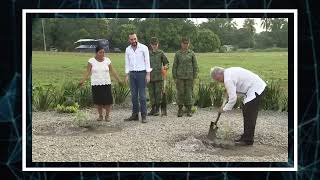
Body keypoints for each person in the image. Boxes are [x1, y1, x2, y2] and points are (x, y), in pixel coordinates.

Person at [210, 66, 266, 146]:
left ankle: (248, 140)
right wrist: (229, 90)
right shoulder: (228, 72)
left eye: (218, 80)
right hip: (255, 86)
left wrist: (224, 109)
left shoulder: (228, 79)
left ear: (219, 75)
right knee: (246, 111)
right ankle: (246, 136)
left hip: (256, 89)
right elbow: (237, 86)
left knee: (249, 114)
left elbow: (233, 99)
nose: (219, 82)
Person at [79, 46, 122, 121]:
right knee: (98, 101)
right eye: (100, 52)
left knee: (108, 101)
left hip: (106, 83)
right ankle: (100, 115)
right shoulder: (91, 61)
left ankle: (107, 116)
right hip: (96, 83)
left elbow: (112, 71)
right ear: (96, 53)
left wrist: (119, 80)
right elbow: (87, 72)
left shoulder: (107, 60)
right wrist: (82, 81)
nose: (102, 54)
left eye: (103, 52)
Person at [124, 33, 152, 123]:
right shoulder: (127, 49)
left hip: (142, 74)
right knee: (134, 96)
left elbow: (147, 61)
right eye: (131, 39)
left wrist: (148, 74)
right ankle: (135, 115)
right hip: (132, 74)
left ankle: (144, 115)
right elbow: (127, 63)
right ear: (129, 40)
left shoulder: (144, 48)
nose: (133, 41)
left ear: (137, 38)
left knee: (142, 96)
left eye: (135, 39)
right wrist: (127, 74)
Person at [172, 37, 198, 117]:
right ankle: (180, 109)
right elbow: (175, 65)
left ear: (188, 44)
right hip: (180, 77)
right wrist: (175, 76)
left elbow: (195, 65)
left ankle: (189, 109)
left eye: (187, 43)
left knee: (189, 93)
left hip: (189, 77)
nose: (185, 45)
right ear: (181, 44)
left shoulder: (192, 53)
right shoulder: (177, 54)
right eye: (184, 43)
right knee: (180, 93)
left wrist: (194, 76)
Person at [147, 37, 169, 116]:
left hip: (159, 77)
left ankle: (157, 109)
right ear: (151, 45)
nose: (154, 46)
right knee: (151, 93)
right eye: (153, 45)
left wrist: (165, 67)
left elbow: (166, 63)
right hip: (150, 76)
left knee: (158, 93)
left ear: (158, 44)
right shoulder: (148, 54)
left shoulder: (161, 53)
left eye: (155, 44)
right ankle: (152, 109)